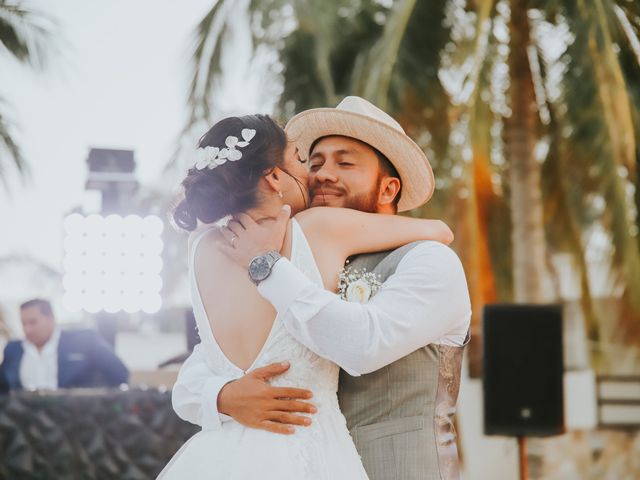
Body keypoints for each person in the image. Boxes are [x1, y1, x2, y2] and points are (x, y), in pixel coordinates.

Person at [171, 97, 472, 480]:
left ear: (388, 188)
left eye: (344, 163)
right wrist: (222, 396)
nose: (322, 175)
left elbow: (365, 344)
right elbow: (201, 366)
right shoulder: (307, 251)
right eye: (313, 163)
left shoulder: (430, 260)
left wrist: (266, 266)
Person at [0, 298, 129, 392]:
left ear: (51, 319)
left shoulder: (83, 341)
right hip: (25, 423)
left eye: (33, 322)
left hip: (73, 421)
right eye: (24, 324)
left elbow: (119, 374)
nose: (27, 329)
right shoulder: (13, 349)